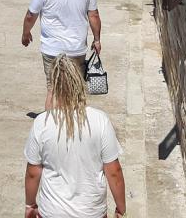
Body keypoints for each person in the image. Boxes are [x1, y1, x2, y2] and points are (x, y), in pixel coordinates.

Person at [24, 60, 126, 218]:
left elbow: (33, 172)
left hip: (52, 212)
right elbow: (114, 172)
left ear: (54, 89)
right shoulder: (100, 120)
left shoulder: (41, 123)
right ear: (80, 83)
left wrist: (30, 205)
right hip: (92, 213)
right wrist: (121, 209)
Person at [21, 0, 100, 93]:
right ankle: (75, 115)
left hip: (52, 49)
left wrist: (26, 34)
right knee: (75, 91)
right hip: (76, 49)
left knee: (53, 90)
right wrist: (97, 40)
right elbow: (93, 15)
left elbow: (31, 15)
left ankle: (53, 116)